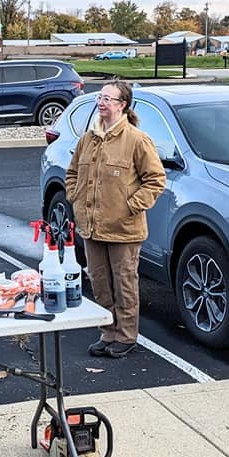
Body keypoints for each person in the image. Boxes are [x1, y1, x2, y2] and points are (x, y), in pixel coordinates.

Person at [65, 81, 166, 359]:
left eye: (108, 98)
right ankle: (108, 332)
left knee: (124, 284)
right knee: (99, 282)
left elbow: (155, 179)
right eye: (100, 97)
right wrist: (75, 197)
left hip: (124, 229)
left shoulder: (136, 139)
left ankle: (126, 335)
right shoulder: (88, 139)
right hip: (92, 227)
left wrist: (131, 205)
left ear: (122, 105)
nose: (102, 102)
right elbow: (72, 173)